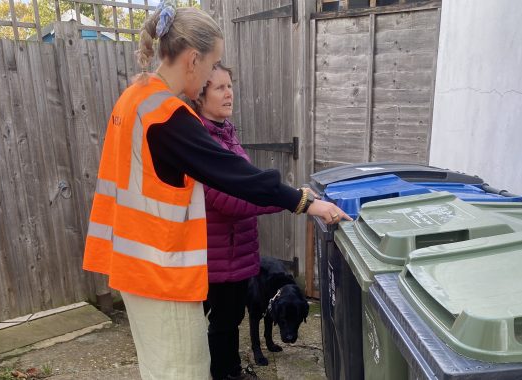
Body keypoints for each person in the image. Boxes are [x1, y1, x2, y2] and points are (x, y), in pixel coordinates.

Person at [82, 2, 350, 379]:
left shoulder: (135, 98)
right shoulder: (167, 115)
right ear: (193, 59)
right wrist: (307, 202)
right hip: (161, 273)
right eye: (212, 66)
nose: (212, 78)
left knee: (159, 368)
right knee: (182, 370)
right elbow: (234, 176)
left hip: (135, 266)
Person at [193, 64, 281, 380]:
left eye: (230, 86)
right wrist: (284, 199)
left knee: (229, 317)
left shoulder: (226, 132)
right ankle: (224, 374)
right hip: (218, 253)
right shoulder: (202, 138)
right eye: (219, 88)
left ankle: (228, 371)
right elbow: (226, 199)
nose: (228, 93)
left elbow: (246, 180)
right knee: (222, 320)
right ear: (200, 96)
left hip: (235, 251)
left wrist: (271, 188)